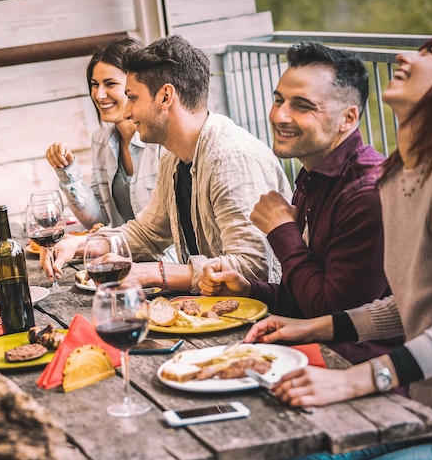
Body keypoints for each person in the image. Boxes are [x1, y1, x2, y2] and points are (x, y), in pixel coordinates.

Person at [213, 34, 432, 460]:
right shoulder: (400, 174)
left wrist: (353, 380)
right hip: (426, 400)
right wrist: (318, 325)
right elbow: (410, 303)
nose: (405, 55)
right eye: (278, 100)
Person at [199, 42, 401, 366]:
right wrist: (250, 291)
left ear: (348, 118)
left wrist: (282, 231)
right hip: (318, 353)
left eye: (302, 106)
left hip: (362, 372)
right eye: (279, 99)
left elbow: (331, 317)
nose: (279, 115)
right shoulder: (314, 175)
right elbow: (305, 300)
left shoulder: (366, 194)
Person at [44, 35, 292, 292]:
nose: (127, 112)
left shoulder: (231, 159)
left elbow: (253, 268)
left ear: (165, 97)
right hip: (210, 307)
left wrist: (152, 273)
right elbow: (147, 233)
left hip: (265, 317)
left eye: (133, 98)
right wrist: (80, 245)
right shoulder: (173, 157)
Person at [45, 37, 163, 228]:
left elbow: (168, 231)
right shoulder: (101, 140)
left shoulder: (161, 143)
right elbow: (98, 219)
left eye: (110, 84)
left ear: (135, 85)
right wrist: (67, 171)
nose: (99, 95)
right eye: (94, 84)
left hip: (164, 257)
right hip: (122, 253)